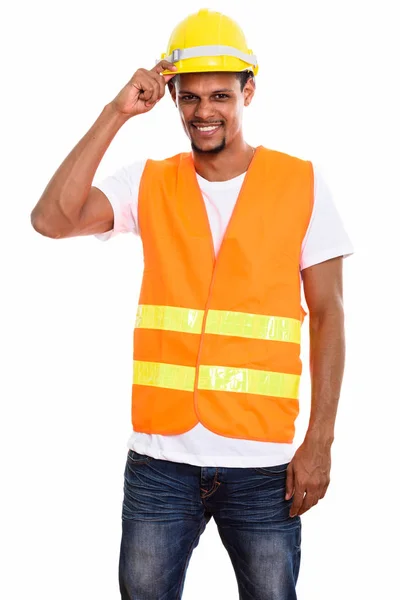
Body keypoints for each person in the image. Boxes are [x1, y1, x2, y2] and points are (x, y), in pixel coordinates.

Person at [31, 8, 354, 600]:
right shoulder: (147, 181)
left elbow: (330, 313)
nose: (204, 111)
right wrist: (117, 113)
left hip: (264, 467)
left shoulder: (301, 183)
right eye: (190, 97)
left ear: (248, 91)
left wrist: (321, 441)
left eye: (220, 95)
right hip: (160, 463)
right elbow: (50, 220)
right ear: (173, 98)